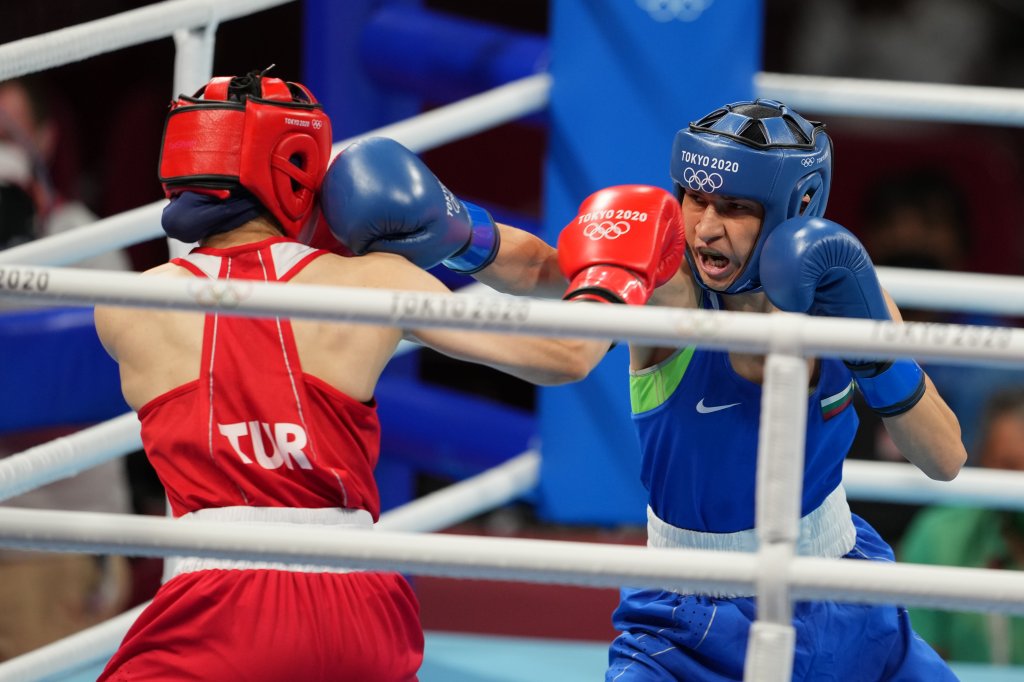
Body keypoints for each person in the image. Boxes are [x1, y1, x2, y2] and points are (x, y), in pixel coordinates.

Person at [320, 99, 968, 679]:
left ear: (796, 207)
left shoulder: (846, 289)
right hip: (690, 622)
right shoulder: (671, 284)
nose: (707, 227)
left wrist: (874, 347)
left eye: (735, 208)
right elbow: (553, 280)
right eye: (696, 198)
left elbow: (944, 459)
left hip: (846, 591)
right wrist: (457, 236)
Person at [91, 69, 603, 681]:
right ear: (300, 165)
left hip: (221, 606)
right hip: (361, 608)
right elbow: (566, 352)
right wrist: (462, 232)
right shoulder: (373, 282)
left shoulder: (126, 307)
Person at [0, 76, 133, 661]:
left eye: (6, 133)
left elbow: (122, 373)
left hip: (51, 552)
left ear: (45, 138)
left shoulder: (91, 243)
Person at [900, 387, 1024, 665]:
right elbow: (920, 663)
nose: (1020, 483)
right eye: (1008, 465)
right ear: (982, 456)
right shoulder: (940, 535)